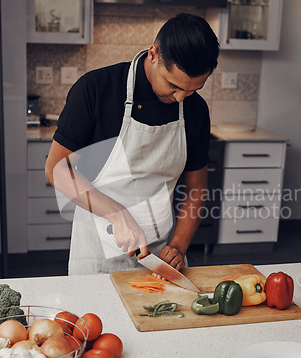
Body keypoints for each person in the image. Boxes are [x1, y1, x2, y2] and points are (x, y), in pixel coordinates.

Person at [45, 13, 219, 275]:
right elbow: (57, 170)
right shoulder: (95, 89)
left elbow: (196, 189)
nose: (182, 97)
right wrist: (118, 215)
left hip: (159, 257)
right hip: (97, 255)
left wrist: (178, 247)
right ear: (154, 54)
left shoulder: (196, 110)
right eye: (173, 85)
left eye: (194, 89)